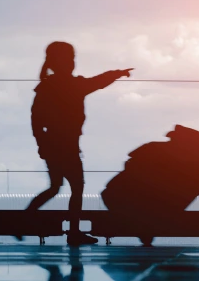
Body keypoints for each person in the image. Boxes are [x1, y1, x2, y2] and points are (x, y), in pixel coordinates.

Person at [21, 42, 132, 246]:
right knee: (76, 187)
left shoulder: (47, 86)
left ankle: (26, 218)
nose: (72, 63)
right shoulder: (72, 86)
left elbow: (35, 119)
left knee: (56, 187)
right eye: (70, 59)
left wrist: (41, 143)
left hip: (53, 145)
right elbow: (98, 82)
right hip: (66, 146)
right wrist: (117, 73)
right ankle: (72, 232)